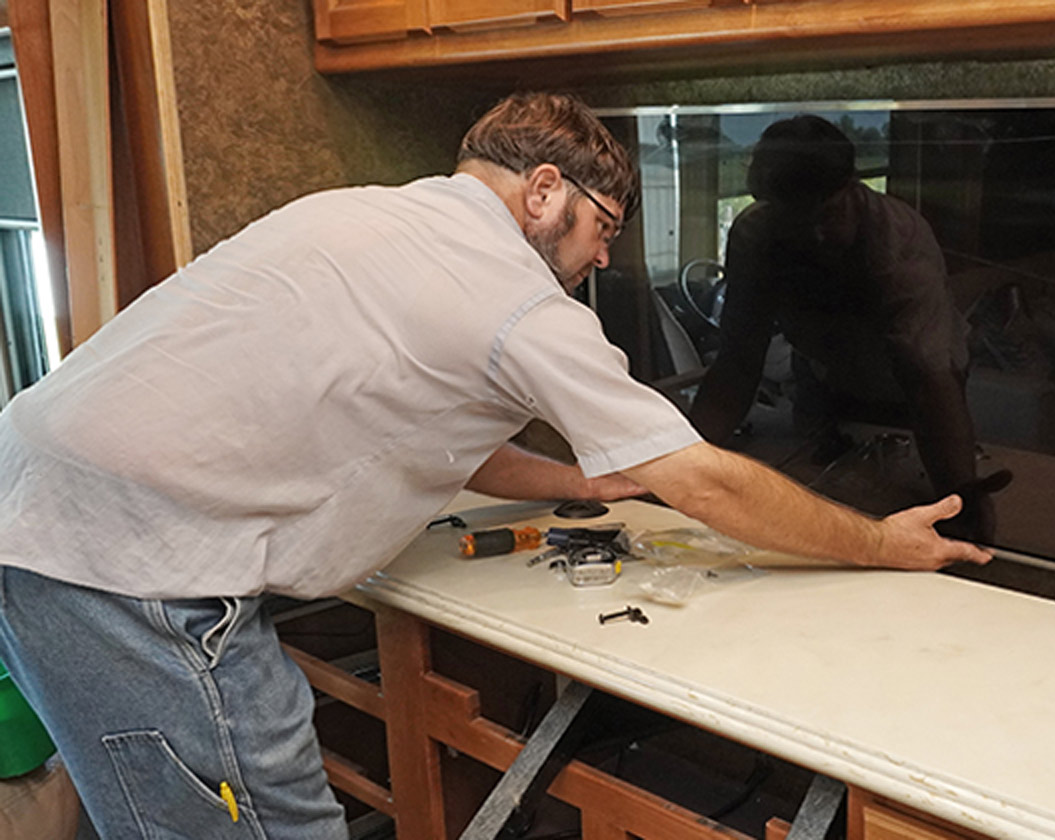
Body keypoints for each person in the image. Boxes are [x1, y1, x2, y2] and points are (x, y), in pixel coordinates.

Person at [0, 93, 988, 838]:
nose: (606, 258)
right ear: (545, 190)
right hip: (131, 573)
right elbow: (705, 479)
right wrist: (877, 542)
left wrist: (585, 482)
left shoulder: (362, 217)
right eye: (605, 227)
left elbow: (441, 436)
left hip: (35, 517)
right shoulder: (511, 295)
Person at [689, 115, 989, 535]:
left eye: (828, 214)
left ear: (852, 187)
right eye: (795, 219)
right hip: (823, 383)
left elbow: (930, 380)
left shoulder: (900, 246)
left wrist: (962, 498)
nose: (814, 234)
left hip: (913, 396)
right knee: (819, 503)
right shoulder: (756, 237)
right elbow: (737, 364)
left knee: (915, 506)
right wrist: (685, 467)